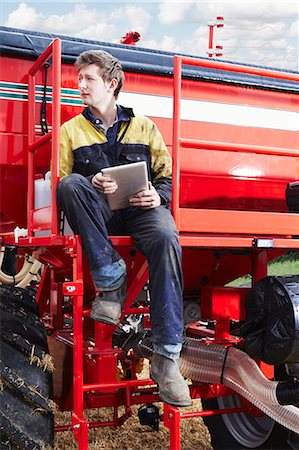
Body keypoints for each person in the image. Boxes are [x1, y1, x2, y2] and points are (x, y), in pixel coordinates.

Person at [56, 50, 191, 407]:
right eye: (79, 78)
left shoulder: (145, 126)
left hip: (141, 211)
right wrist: (91, 179)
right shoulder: (70, 130)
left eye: (89, 79)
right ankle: (111, 281)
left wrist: (156, 196)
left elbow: (166, 176)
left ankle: (166, 360)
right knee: (71, 185)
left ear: (111, 83)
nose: (80, 85)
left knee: (165, 237)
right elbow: (59, 180)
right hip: (99, 212)